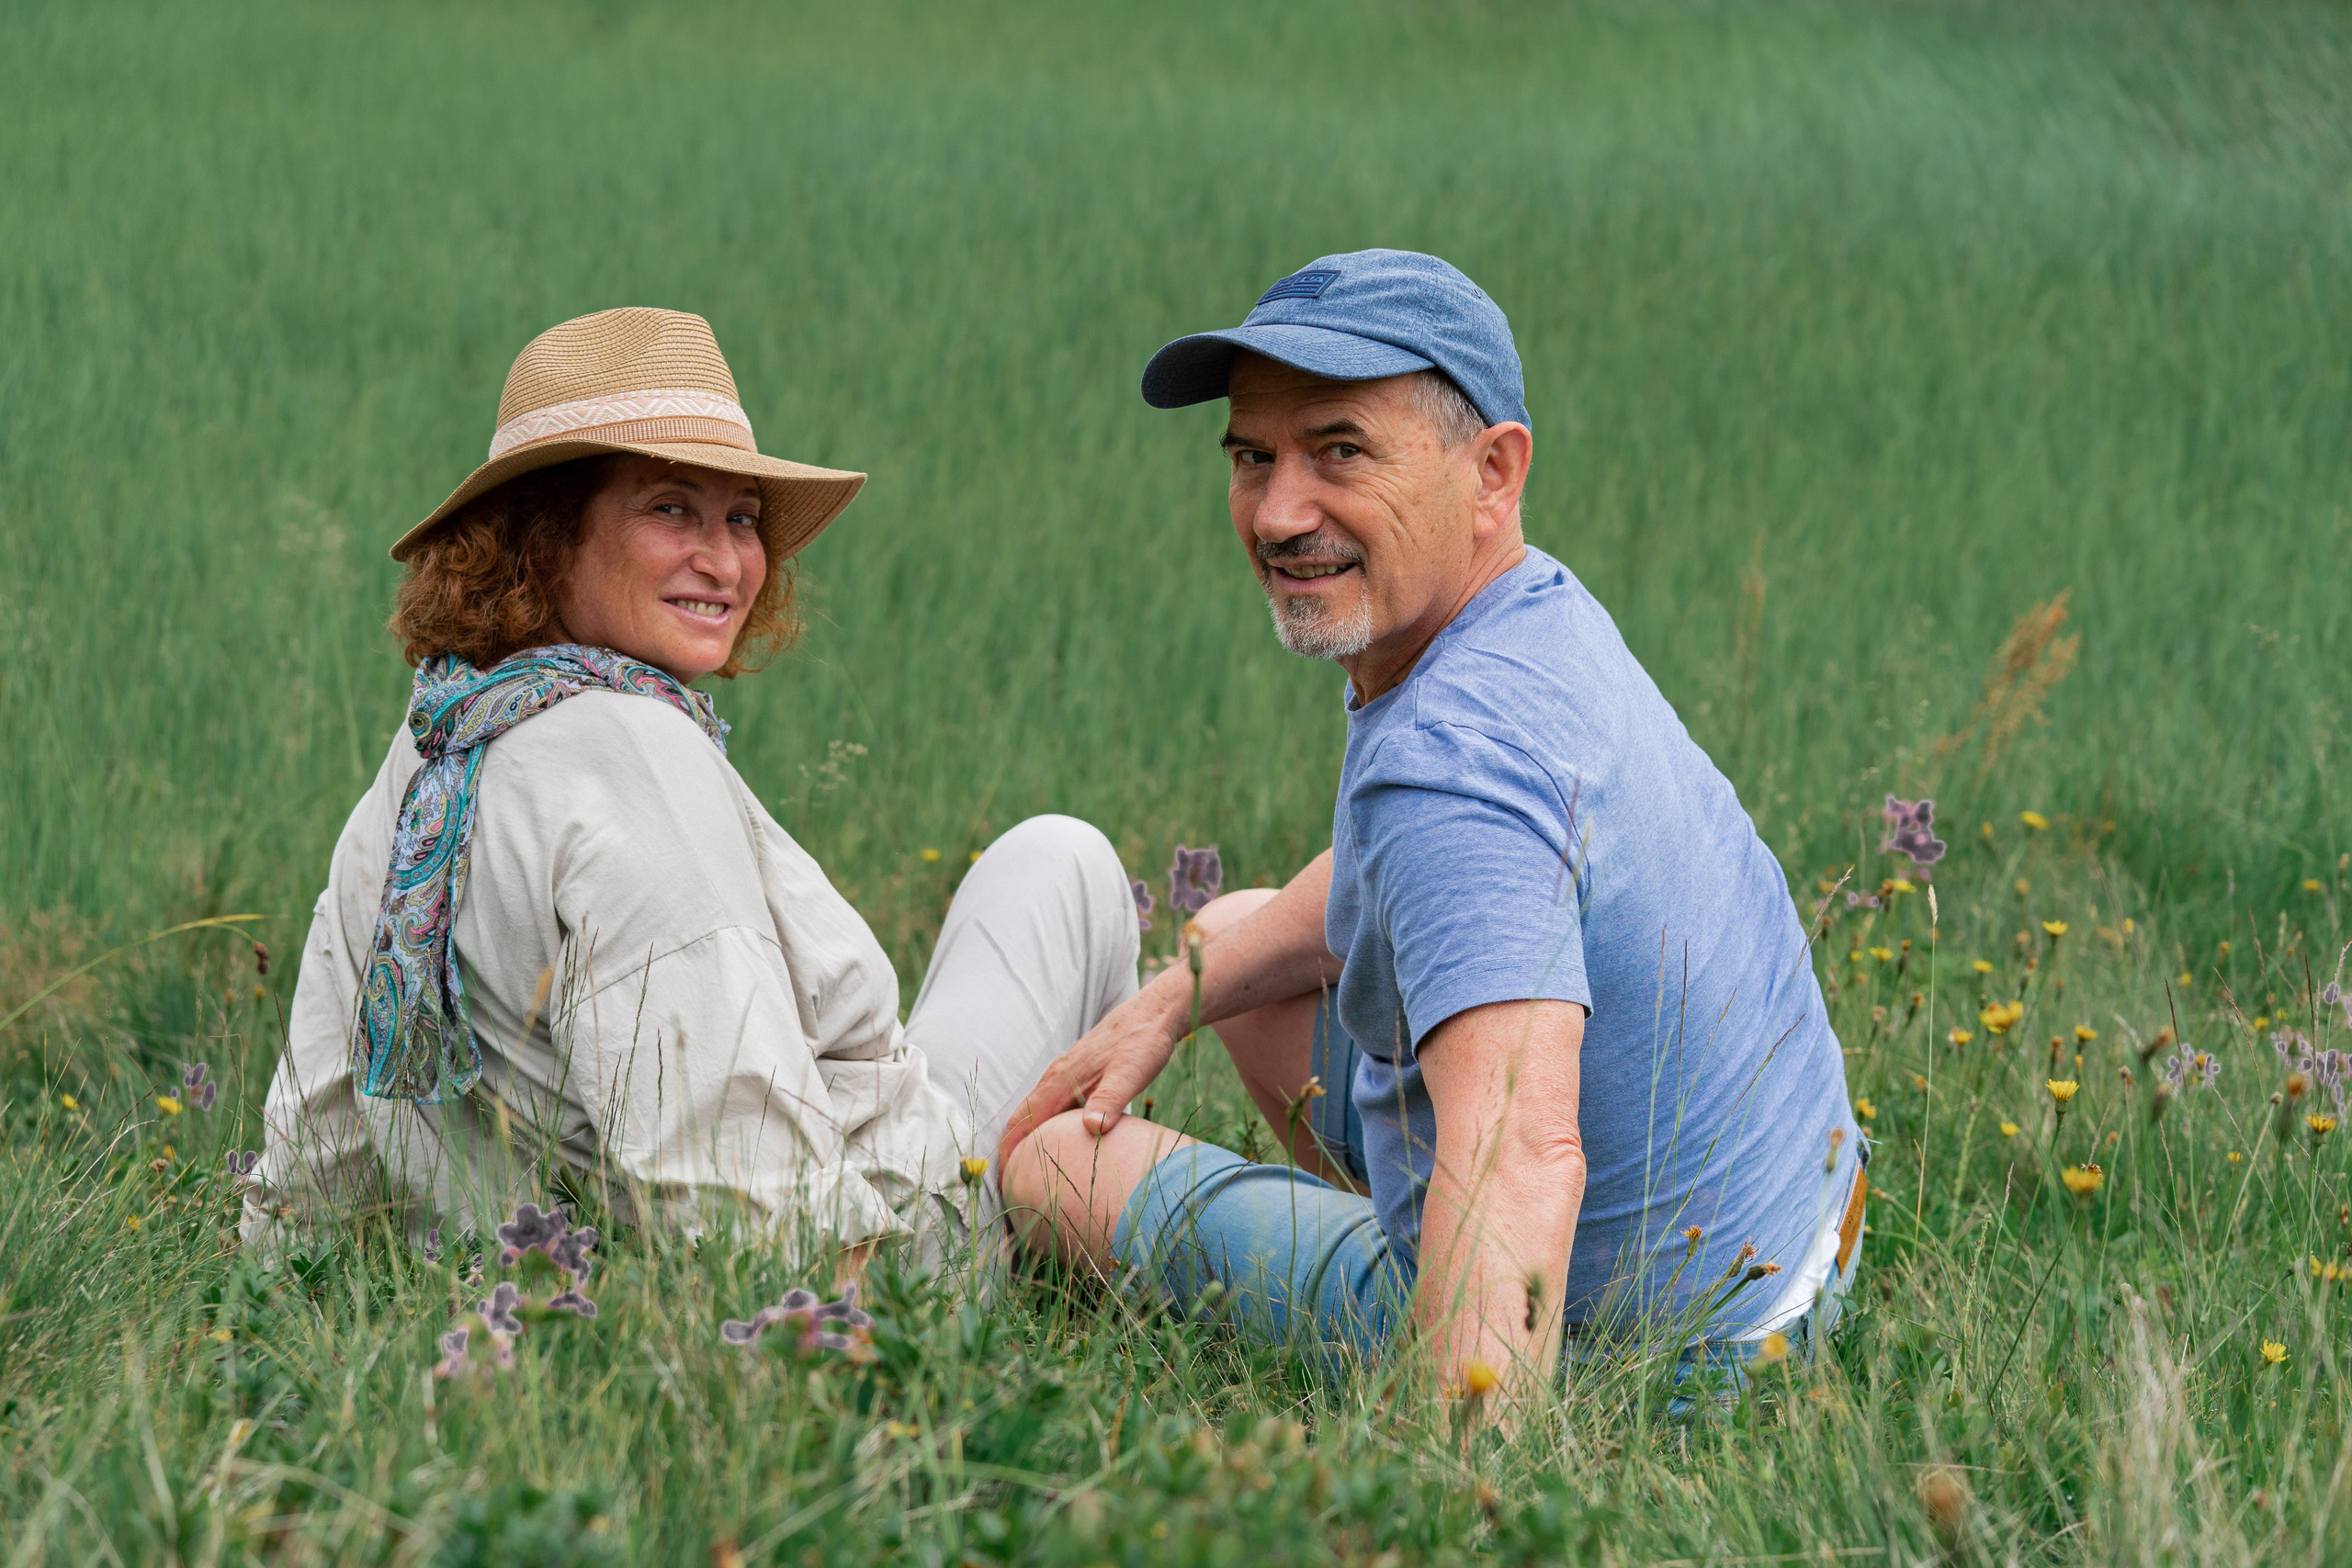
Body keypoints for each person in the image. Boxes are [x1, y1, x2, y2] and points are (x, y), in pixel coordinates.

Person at [1001, 251, 1866, 1404]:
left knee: (1051, 1166)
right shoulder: (1528, 613)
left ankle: (1430, 1306)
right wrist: (1168, 1003)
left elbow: (1524, 1155)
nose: (1278, 512)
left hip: (1655, 1367)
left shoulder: (1450, 771)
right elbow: (1382, 872)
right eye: (1253, 457)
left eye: (1339, 450)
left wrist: (1469, 1482)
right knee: (1239, 939)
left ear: (1491, 472)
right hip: (1803, 1252)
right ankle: (1420, 1247)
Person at [245, 308, 1140, 1269]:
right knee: (1067, 865)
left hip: (522, 1284)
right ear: (545, 534)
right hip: (881, 1272)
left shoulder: (438, 743)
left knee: (1046, 863)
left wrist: (283, 1281)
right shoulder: (631, 756)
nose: (725, 561)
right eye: (671, 508)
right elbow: (738, 1179)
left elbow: (326, 1098)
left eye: (742, 518)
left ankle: (1084, 1213)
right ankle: (1085, 1241)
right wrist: (849, 1343)